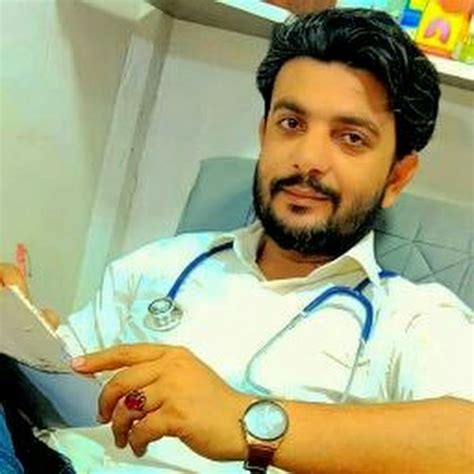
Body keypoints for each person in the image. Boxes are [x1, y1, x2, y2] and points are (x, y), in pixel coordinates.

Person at [1, 7, 473, 474]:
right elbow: (61, 397)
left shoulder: (415, 319)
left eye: (350, 138)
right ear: (264, 133)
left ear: (396, 177)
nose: (308, 158)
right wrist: (22, 340)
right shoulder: (157, 266)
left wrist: (246, 420)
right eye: (291, 124)